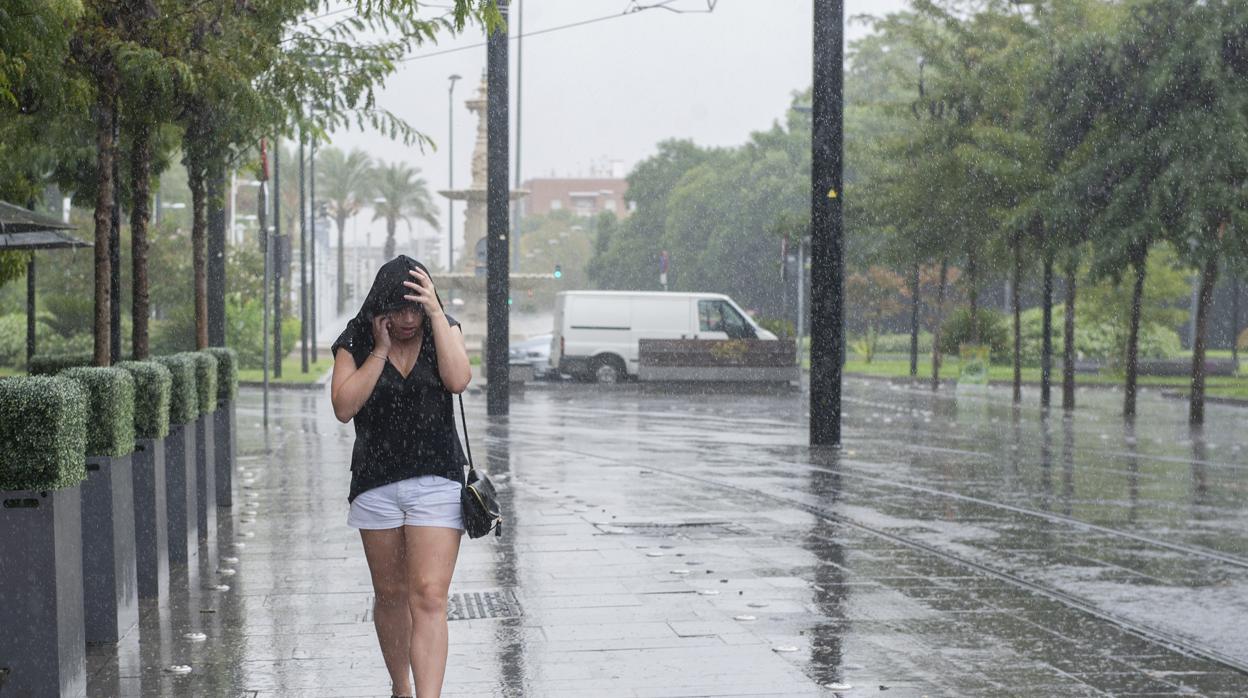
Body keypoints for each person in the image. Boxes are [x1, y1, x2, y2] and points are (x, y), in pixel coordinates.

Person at [330, 255, 472, 698]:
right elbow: (343, 406)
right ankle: (401, 687)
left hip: (437, 477)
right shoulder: (355, 338)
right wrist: (380, 351)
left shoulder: (440, 327)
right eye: (398, 309)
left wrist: (435, 313)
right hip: (376, 483)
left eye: (415, 307)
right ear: (380, 308)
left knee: (429, 595)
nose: (408, 319)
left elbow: (459, 379)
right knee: (390, 595)